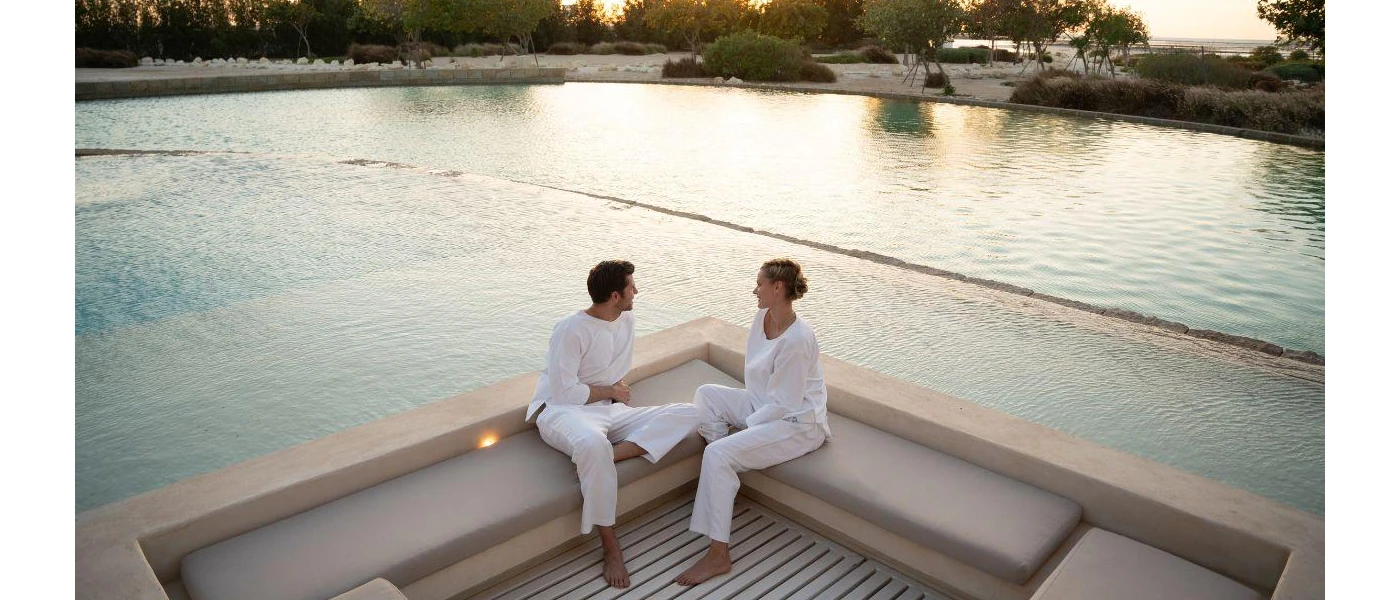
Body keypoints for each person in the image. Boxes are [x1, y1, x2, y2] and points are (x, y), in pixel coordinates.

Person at [528, 260, 700, 589]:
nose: (638, 290)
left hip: (607, 409)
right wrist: (612, 391)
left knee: (691, 412)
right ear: (615, 295)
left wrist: (613, 393)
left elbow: (612, 368)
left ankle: (614, 454)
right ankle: (610, 546)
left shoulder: (626, 320)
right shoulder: (570, 329)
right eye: (632, 286)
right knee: (593, 445)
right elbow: (564, 392)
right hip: (563, 412)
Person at [675, 257, 832, 585]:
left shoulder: (798, 340)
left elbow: (785, 403)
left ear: (778, 287)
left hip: (796, 423)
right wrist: (740, 432)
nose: (754, 289)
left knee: (716, 455)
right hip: (762, 403)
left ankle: (718, 555)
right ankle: (724, 477)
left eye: (759, 283)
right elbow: (762, 388)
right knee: (707, 394)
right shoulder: (762, 316)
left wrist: (744, 430)